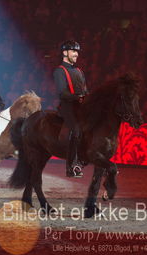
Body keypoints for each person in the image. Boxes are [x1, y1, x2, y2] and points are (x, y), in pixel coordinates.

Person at [53, 40, 88, 178]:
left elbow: (86, 90)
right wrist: (78, 97)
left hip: (80, 106)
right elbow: (62, 93)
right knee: (76, 129)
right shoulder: (59, 71)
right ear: (65, 53)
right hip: (67, 107)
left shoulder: (79, 71)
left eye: (77, 52)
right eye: (74, 51)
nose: (76, 54)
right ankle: (71, 167)